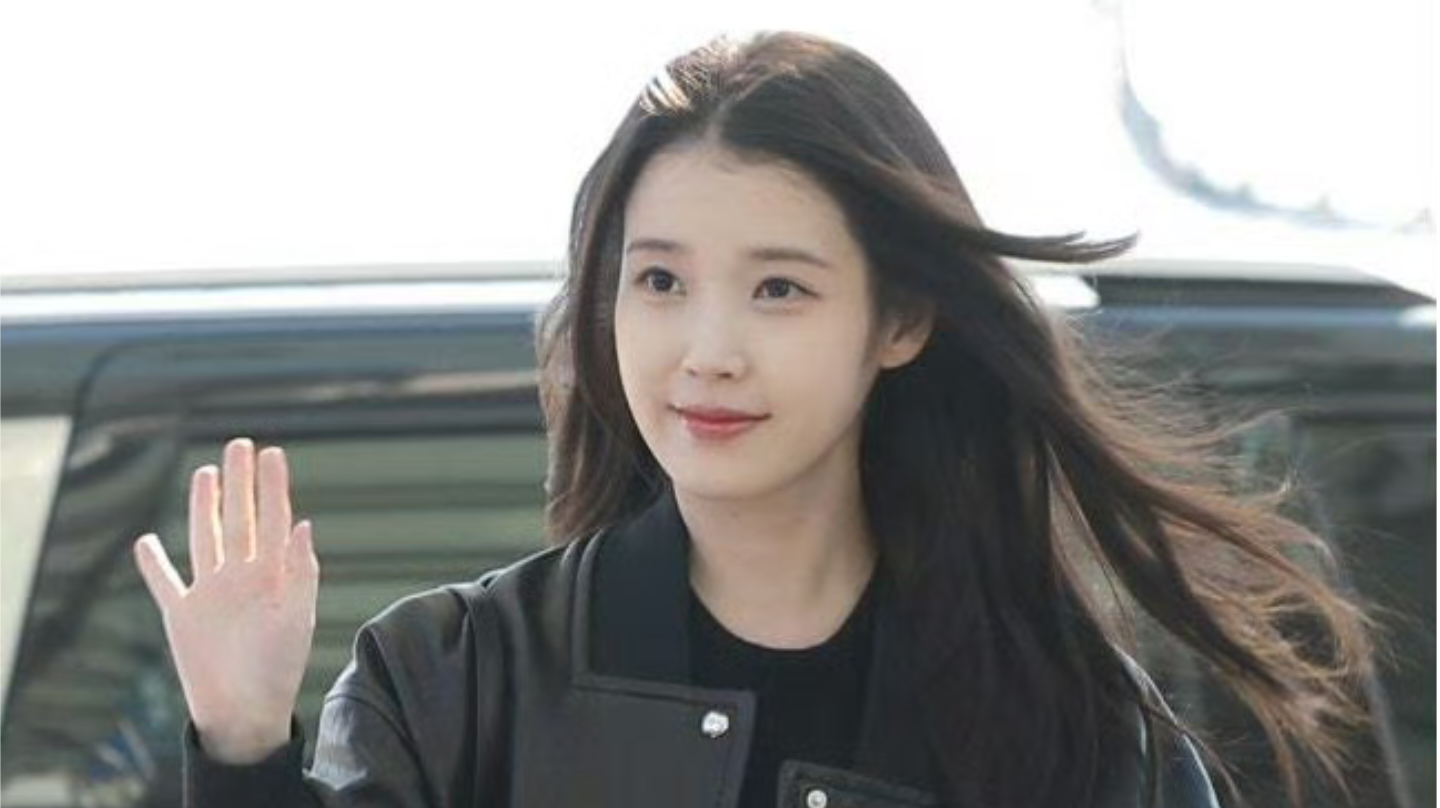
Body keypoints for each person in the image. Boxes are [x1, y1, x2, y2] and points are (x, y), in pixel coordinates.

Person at [132, 31, 1375, 808]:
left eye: (779, 288)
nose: (707, 350)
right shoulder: (452, 679)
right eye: (659, 281)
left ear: (900, 320)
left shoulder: (1075, 726)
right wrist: (241, 746)